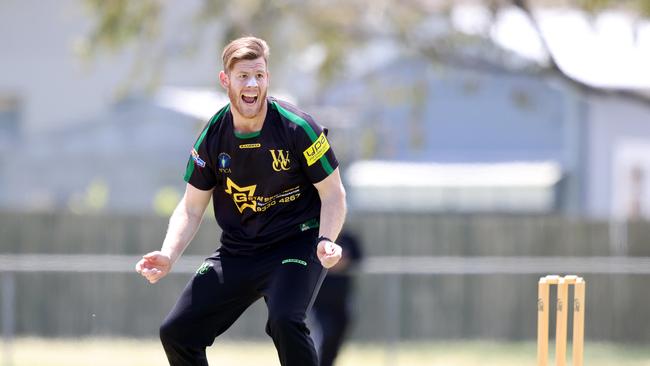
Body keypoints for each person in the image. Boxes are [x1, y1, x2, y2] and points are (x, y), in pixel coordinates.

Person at [135, 36, 346, 366]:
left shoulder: (298, 127)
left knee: (285, 321)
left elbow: (333, 193)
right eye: (243, 76)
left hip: (296, 245)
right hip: (239, 250)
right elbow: (191, 207)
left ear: (268, 79)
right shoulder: (214, 135)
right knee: (177, 332)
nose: (252, 84)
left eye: (259, 75)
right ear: (225, 80)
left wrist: (326, 240)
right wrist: (168, 253)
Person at [311, 229, 363, 366]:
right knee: (323, 335)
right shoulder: (317, 238)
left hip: (341, 301)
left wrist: (343, 261)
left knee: (337, 338)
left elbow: (358, 258)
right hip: (319, 301)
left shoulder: (348, 239)